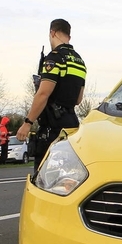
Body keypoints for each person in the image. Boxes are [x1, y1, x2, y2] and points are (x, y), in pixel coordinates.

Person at [16, 19, 86, 171]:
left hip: (52, 127)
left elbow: (43, 94)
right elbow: (78, 99)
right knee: (67, 175)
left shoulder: (54, 58)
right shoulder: (80, 62)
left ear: (52, 32)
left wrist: (28, 123)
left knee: (44, 174)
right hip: (72, 125)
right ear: (69, 36)